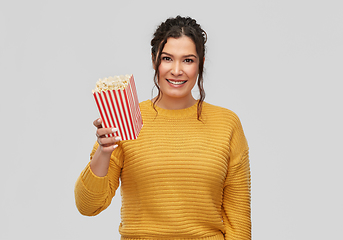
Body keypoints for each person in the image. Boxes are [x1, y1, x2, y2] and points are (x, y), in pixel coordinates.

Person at [75, 16, 251, 240]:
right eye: (167, 59)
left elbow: (239, 221)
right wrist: (104, 150)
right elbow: (87, 205)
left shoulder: (226, 124)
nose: (177, 70)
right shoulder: (126, 118)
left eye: (188, 60)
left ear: (201, 63)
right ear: (154, 60)